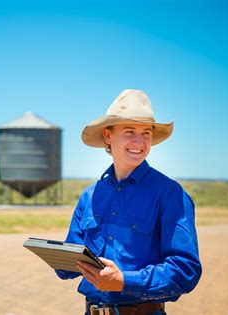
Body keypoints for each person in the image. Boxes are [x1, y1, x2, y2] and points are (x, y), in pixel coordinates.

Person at [55, 89, 202, 315]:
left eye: (146, 133)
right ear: (107, 136)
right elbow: (71, 265)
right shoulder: (90, 195)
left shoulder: (170, 193)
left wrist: (123, 281)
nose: (139, 141)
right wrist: (57, 258)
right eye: (129, 131)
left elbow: (185, 270)